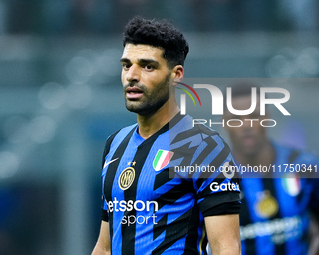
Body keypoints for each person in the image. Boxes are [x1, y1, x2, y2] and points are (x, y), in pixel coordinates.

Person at [91, 16, 241, 255]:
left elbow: (226, 248)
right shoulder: (115, 145)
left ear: (176, 74)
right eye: (126, 65)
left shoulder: (205, 147)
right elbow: (105, 246)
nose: (132, 75)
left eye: (147, 66)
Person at [223, 83, 319, 255]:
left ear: (267, 117)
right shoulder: (214, 179)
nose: (246, 125)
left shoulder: (304, 165)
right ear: (224, 123)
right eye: (236, 118)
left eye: (254, 115)